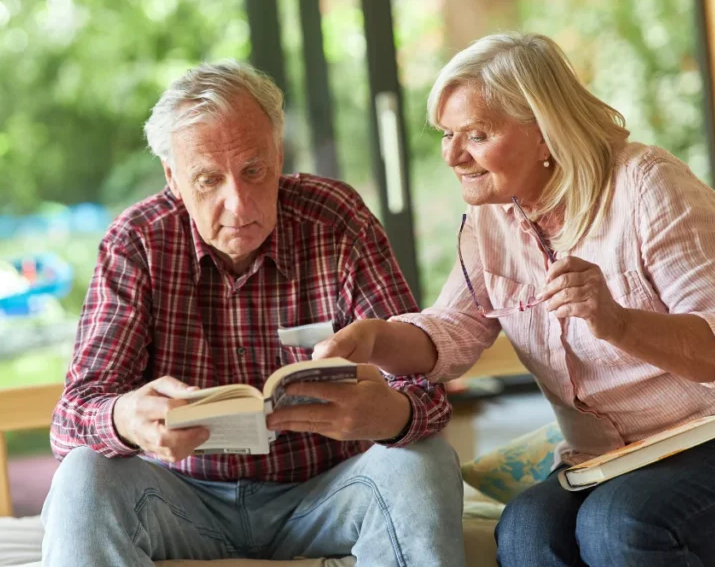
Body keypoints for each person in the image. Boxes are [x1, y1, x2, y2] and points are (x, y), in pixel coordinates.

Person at [313, 32, 715, 566]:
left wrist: (618, 323)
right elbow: (452, 333)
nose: (453, 155)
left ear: (545, 131)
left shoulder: (650, 187)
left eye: (477, 134)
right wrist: (375, 338)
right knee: (525, 530)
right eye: (447, 134)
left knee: (619, 523)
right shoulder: (491, 222)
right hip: (614, 459)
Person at [41, 61, 465, 567]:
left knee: (427, 461)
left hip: (325, 495)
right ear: (173, 178)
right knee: (82, 475)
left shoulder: (335, 219)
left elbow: (426, 396)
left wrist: (391, 416)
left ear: (278, 154)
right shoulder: (137, 243)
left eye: (254, 170)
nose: (238, 205)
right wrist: (126, 417)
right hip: (179, 498)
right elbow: (71, 418)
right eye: (208, 180)